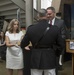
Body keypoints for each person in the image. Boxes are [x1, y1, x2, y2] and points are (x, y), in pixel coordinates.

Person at [21, 9, 64, 75]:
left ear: (38, 16)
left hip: (35, 58)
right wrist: (56, 54)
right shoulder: (55, 29)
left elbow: (23, 44)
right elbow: (61, 45)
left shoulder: (31, 29)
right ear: (47, 16)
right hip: (50, 58)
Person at [46, 6, 66, 71]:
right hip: (46, 49)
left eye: (50, 14)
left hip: (56, 49)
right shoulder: (45, 22)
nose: (48, 16)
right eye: (47, 14)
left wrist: (56, 41)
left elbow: (63, 35)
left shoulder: (61, 22)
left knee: (56, 67)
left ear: (54, 13)